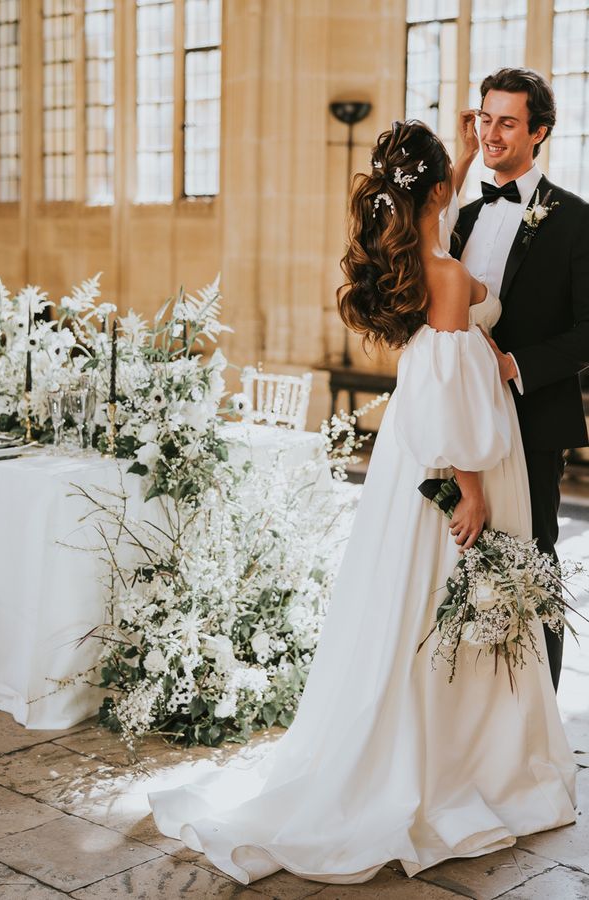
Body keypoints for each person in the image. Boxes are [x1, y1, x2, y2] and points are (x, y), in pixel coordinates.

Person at [148, 119, 576, 886]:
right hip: (455, 461)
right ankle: (453, 763)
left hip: (414, 457)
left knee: (426, 609)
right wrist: (469, 489)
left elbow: (437, 380)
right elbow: (450, 397)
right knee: (450, 602)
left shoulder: (414, 260)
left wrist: (462, 148)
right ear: (440, 189)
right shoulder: (444, 273)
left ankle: (456, 749)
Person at [451, 67, 589, 692]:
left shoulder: (576, 219)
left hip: (531, 417)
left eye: (507, 122)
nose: (492, 133)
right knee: (461, 559)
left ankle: (539, 719)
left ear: (539, 133)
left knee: (532, 561)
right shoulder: (466, 212)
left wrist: (515, 367)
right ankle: (479, 714)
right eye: (485, 118)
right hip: (459, 420)